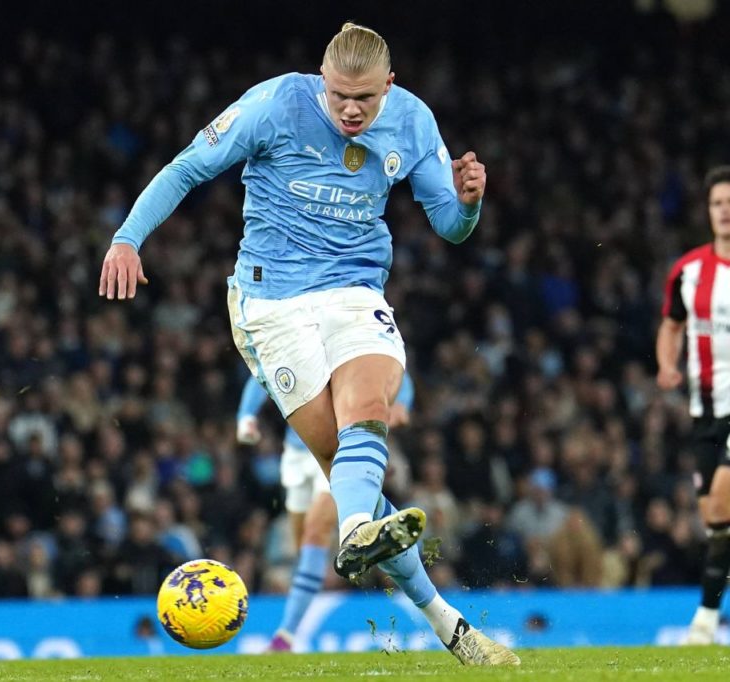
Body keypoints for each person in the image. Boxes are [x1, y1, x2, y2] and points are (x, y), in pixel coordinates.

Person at [101, 22, 518, 665]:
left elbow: (450, 226)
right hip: (270, 302)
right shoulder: (275, 104)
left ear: (391, 86)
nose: (352, 111)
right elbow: (188, 167)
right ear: (321, 81)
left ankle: (357, 534)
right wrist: (128, 237)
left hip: (355, 290)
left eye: (366, 100)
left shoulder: (411, 120)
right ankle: (446, 622)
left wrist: (468, 204)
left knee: (369, 414)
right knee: (350, 472)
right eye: (341, 97)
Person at [657, 165, 730, 645]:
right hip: (705, 408)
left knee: (724, 497)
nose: (725, 212)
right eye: (717, 204)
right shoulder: (688, 271)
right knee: (715, 522)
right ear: (708, 212)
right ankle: (708, 616)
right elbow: (672, 326)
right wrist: (667, 365)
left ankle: (704, 620)